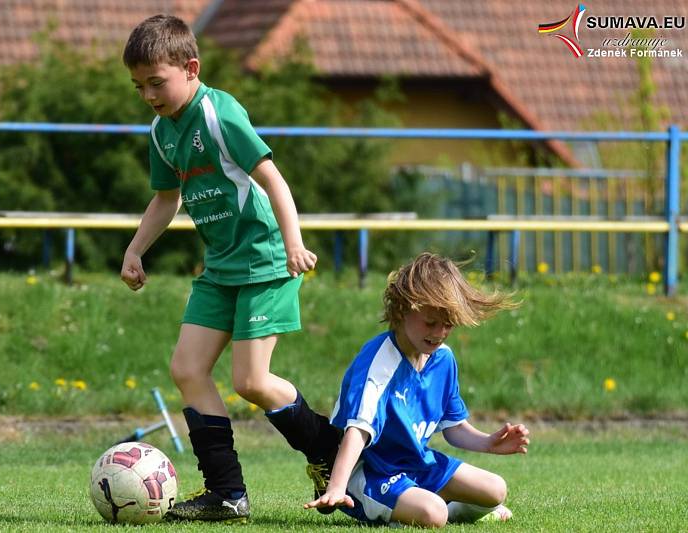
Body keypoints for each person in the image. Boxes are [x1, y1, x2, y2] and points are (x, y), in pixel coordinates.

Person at [120, 14, 340, 523]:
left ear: (191, 68)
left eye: (157, 82)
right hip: (219, 269)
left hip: (265, 259)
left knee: (252, 381)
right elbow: (165, 199)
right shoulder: (161, 132)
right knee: (187, 369)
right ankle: (226, 493)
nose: (149, 95)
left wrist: (293, 244)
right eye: (138, 86)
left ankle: (331, 451)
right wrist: (135, 250)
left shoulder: (220, 113)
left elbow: (273, 179)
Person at [305, 252, 530, 527]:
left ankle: (445, 509)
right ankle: (411, 508)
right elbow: (358, 430)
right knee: (433, 514)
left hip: (416, 463)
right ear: (402, 311)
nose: (439, 333)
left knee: (495, 490)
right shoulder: (380, 361)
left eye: (448, 324)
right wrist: (337, 487)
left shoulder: (443, 359)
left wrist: (488, 443)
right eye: (431, 322)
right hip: (372, 471)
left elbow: (454, 427)